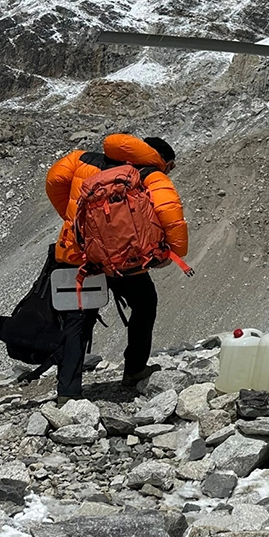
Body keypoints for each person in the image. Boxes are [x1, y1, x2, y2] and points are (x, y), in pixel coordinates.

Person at [46, 134, 188, 398]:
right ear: (161, 159)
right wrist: (172, 254)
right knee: (145, 305)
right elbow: (172, 216)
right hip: (127, 263)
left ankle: (68, 392)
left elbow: (54, 180)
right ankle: (134, 369)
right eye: (170, 165)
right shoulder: (151, 174)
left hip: (81, 257)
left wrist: (72, 221)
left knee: (77, 320)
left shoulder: (81, 160)